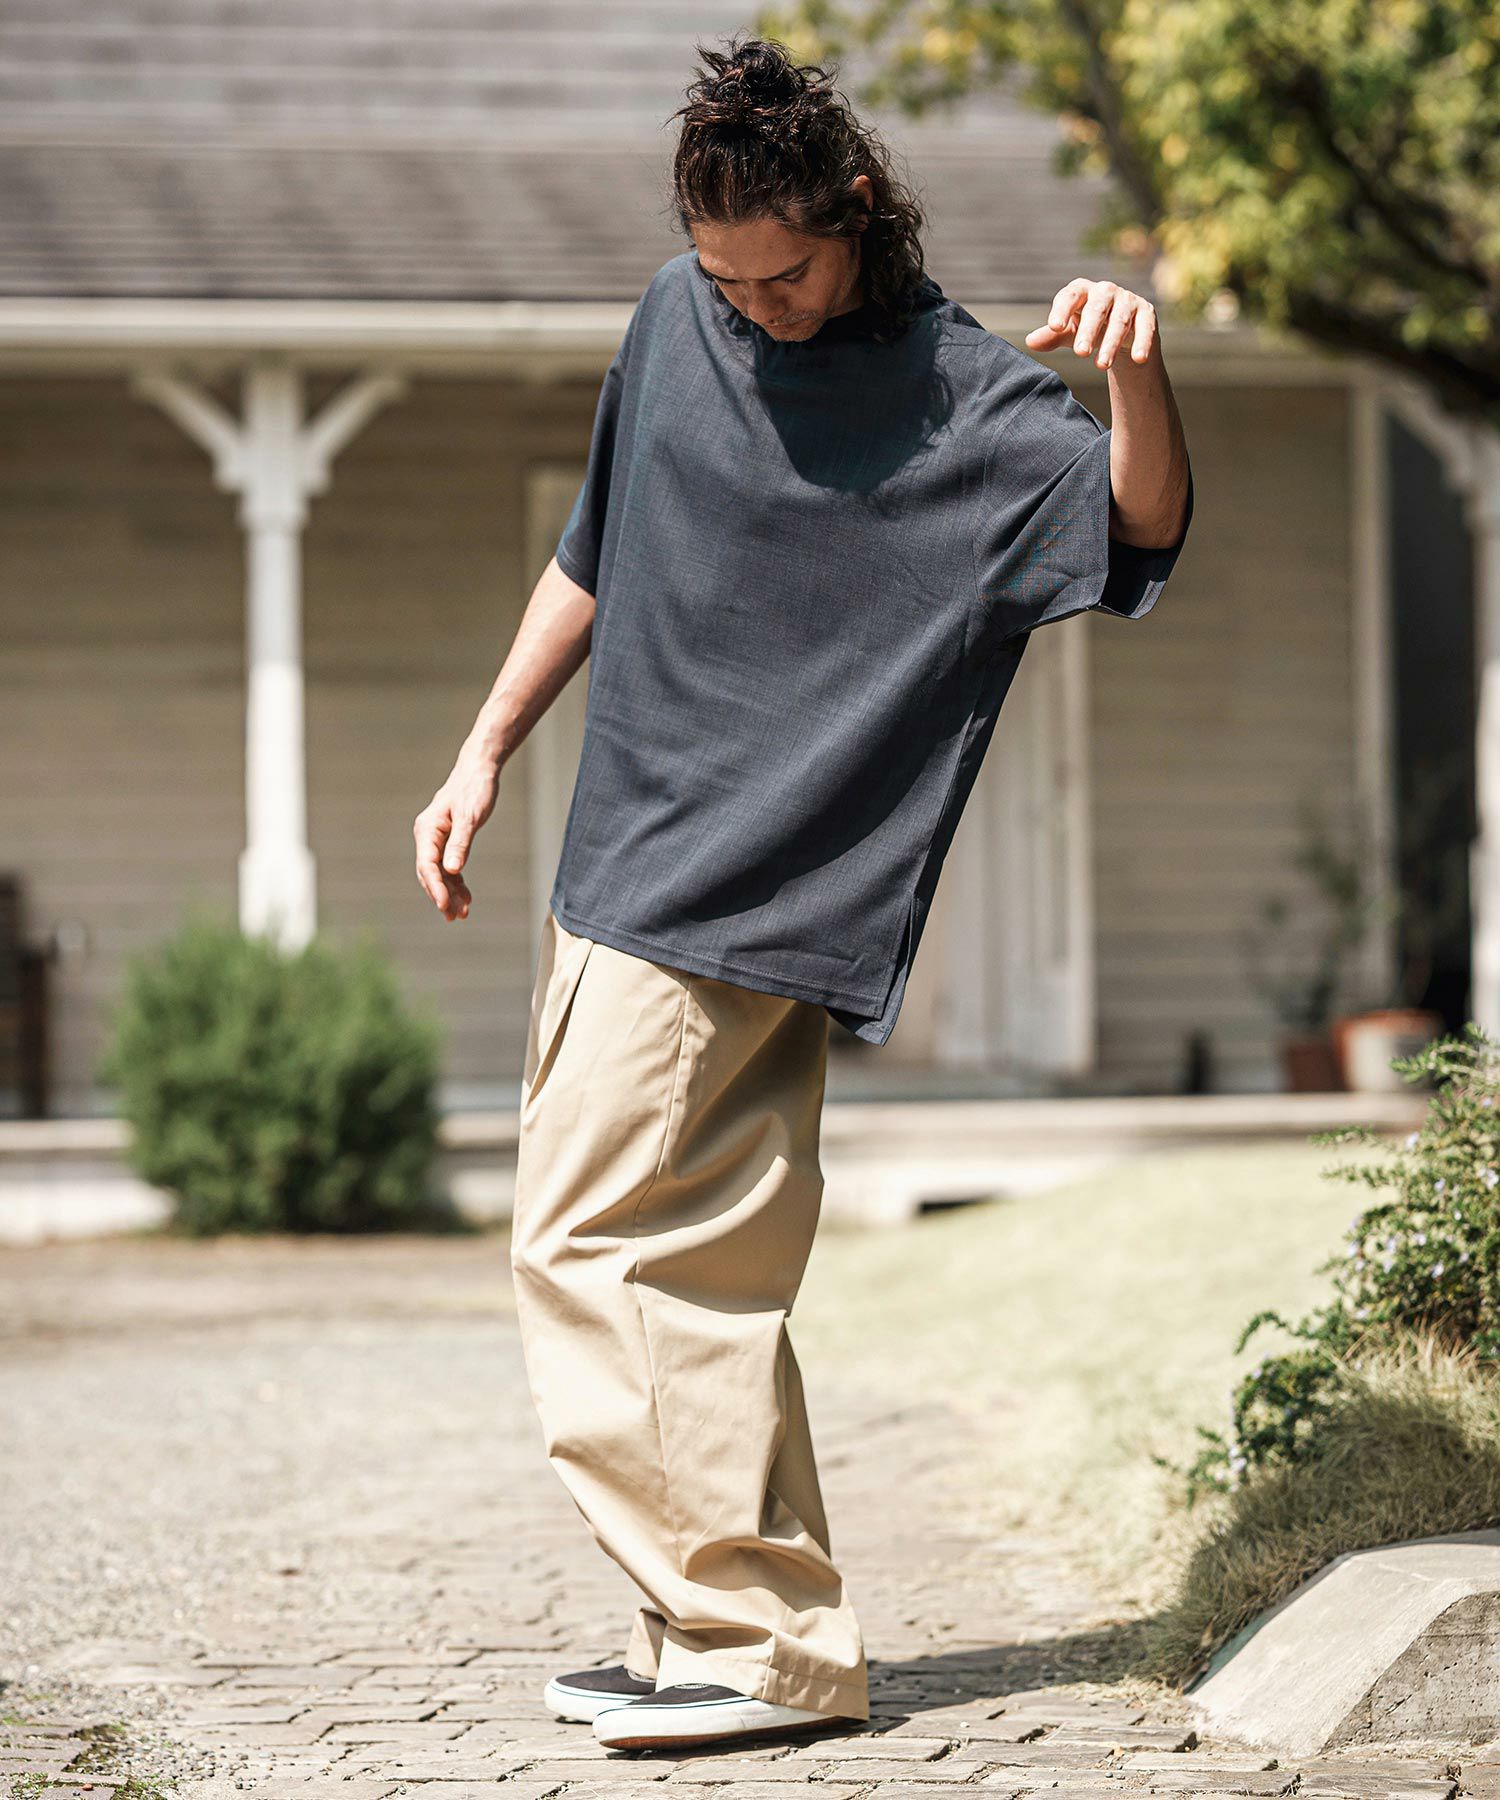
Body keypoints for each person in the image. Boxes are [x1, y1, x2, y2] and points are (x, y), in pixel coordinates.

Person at [413, 35, 1192, 1755]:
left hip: (746, 895)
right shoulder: (672, 320)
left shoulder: (962, 397)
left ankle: (759, 1643)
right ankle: (710, 1632)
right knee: (696, 1273)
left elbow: (1134, 527)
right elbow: (594, 552)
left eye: (785, 277)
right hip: (621, 864)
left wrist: (1136, 376)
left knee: (594, 1253)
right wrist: (482, 749)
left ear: (855, 210)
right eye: (726, 279)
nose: (756, 309)